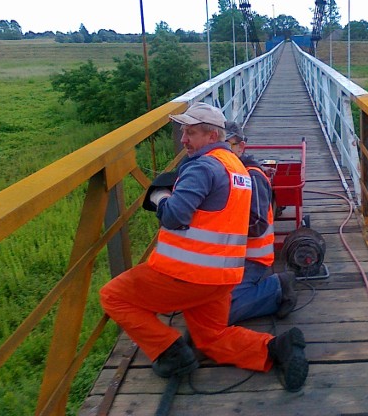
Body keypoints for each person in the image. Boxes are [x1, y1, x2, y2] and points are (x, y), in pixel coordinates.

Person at [99, 102, 308, 392]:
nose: (184, 140)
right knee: (210, 338)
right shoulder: (238, 168)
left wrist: (160, 197)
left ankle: (170, 351)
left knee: (113, 296)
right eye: (183, 132)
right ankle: (277, 349)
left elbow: (174, 216)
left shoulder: (202, 166)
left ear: (212, 137)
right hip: (222, 278)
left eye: (192, 133)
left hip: (186, 274)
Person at [224, 121, 298, 324]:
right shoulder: (221, 172)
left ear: (241, 147)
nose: (221, 152)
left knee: (221, 313)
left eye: (227, 145)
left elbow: (256, 225)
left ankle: (278, 287)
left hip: (250, 259)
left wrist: (218, 227)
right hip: (226, 256)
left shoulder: (251, 177)